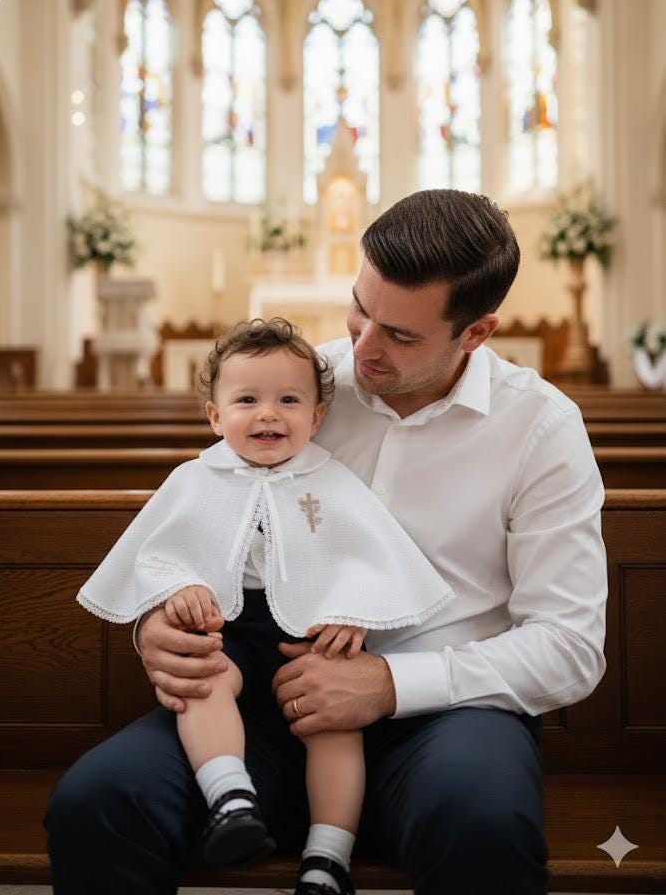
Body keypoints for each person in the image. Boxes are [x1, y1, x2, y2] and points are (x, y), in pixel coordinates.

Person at [45, 189, 608, 895]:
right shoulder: (292, 386)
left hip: (448, 714)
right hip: (270, 695)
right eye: (359, 310)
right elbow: (206, 529)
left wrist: (387, 684)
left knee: (483, 823)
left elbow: (569, 647)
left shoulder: (540, 429)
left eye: (400, 335)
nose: (362, 349)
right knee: (97, 804)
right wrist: (160, 626)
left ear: (476, 332)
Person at [73, 317, 455, 895]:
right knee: (204, 684)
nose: (268, 413)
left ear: (317, 417)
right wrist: (179, 588)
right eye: (247, 399)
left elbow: (373, 556)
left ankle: (327, 859)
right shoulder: (194, 479)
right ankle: (231, 797)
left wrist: (352, 613)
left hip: (310, 642)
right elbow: (157, 554)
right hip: (227, 632)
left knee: (333, 726)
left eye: (289, 400)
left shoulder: (332, 480)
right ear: (214, 414)